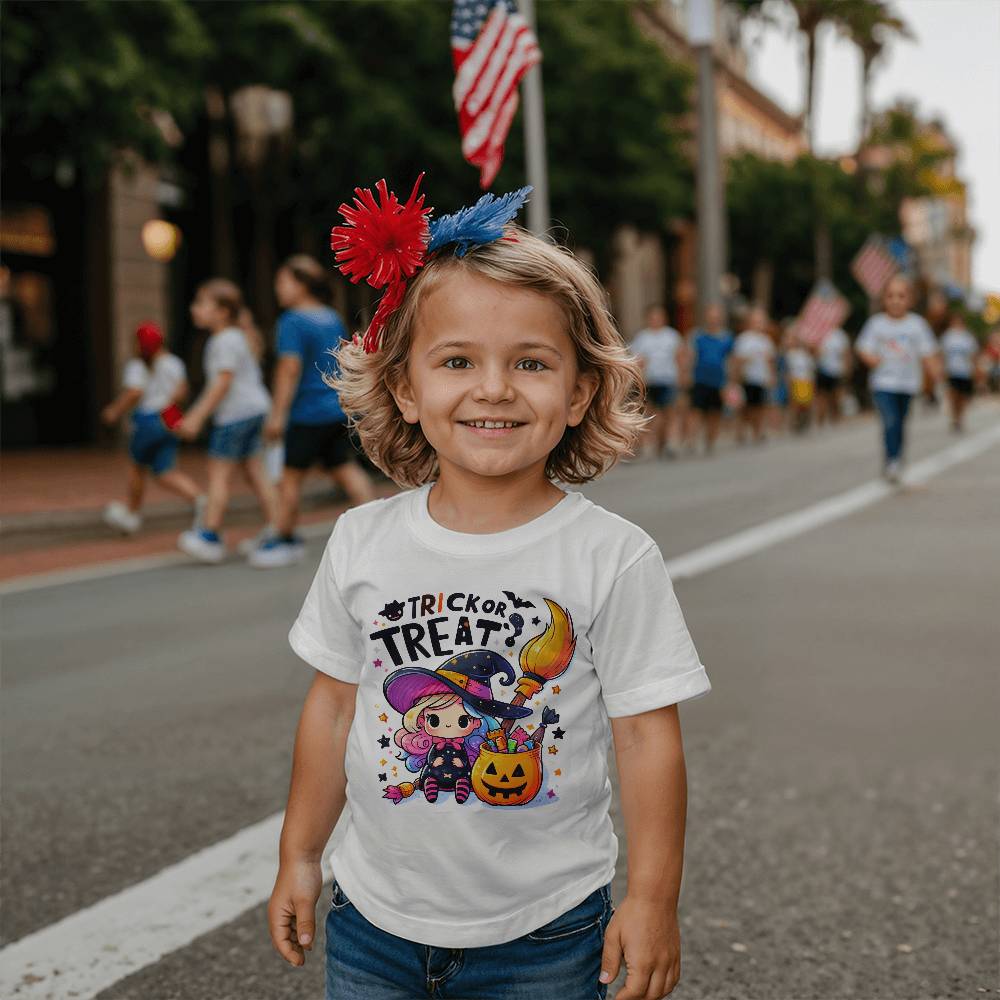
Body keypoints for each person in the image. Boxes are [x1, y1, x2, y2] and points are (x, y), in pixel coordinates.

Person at [267, 179, 711, 1000]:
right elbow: (333, 708)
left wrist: (651, 900)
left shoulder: (611, 556)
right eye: (458, 360)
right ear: (405, 386)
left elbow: (649, 740)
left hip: (544, 930)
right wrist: (300, 854)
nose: (495, 388)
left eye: (532, 363)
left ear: (580, 392)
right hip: (372, 921)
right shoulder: (362, 540)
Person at [249, 255, 377, 568]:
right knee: (346, 471)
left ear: (301, 285)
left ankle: (284, 538)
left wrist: (278, 414)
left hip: (305, 414)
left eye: (283, 282)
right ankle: (378, 531)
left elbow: (289, 369)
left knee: (289, 479)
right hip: (335, 408)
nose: (278, 289)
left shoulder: (292, 321)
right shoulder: (330, 317)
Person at [175, 279, 277, 562]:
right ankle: (277, 529)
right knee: (255, 472)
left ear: (221, 311)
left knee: (218, 474)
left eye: (200, 303)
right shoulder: (234, 337)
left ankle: (209, 535)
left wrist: (195, 417)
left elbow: (222, 383)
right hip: (254, 410)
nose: (194, 309)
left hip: (235, 415)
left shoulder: (224, 340)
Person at [101, 321, 203, 535]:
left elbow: (134, 393)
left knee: (137, 467)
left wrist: (114, 411)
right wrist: (171, 415)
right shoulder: (174, 362)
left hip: (148, 419)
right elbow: (181, 392)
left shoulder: (138, 365)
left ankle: (132, 513)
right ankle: (201, 500)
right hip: (170, 417)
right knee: (165, 471)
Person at [855, 275, 940, 484]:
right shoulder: (876, 324)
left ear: (910, 300)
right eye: (891, 295)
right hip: (883, 383)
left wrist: (935, 376)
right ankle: (892, 460)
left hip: (908, 384)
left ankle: (896, 456)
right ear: (884, 299)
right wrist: (871, 358)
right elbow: (862, 347)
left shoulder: (917, 325)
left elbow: (928, 353)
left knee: (900, 423)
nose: (895, 300)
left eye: (901, 296)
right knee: (890, 421)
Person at [629, 304, 686, 459]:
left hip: (668, 379)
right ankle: (645, 443)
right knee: (649, 414)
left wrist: (682, 377)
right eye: (653, 316)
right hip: (650, 380)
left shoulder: (672, 336)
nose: (655, 319)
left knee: (669, 412)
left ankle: (667, 442)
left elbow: (680, 357)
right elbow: (637, 360)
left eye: (658, 316)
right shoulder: (642, 337)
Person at [684, 302, 734, 455]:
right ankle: (691, 441)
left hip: (718, 381)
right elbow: (690, 355)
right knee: (695, 411)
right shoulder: (697, 336)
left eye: (716, 317)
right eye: (711, 317)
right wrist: (686, 373)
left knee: (715, 413)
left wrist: (731, 381)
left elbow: (730, 360)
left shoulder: (726, 338)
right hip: (700, 379)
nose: (713, 320)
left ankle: (710, 441)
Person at [731, 306, 774, 444]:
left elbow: (769, 361)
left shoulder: (766, 341)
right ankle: (741, 432)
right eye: (756, 321)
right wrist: (736, 377)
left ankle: (758, 432)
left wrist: (771, 376)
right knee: (745, 407)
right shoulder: (743, 339)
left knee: (759, 406)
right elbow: (736, 360)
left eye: (761, 321)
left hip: (760, 379)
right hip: (747, 378)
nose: (759, 324)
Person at [939, 311, 980, 433]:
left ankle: (960, 417)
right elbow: (942, 354)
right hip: (952, 371)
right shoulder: (947, 337)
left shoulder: (968, 337)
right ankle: (954, 418)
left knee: (962, 397)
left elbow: (973, 355)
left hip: (965, 371)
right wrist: (942, 369)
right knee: (953, 395)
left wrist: (975, 369)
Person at [814, 325, 851, 426]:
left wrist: (847, 368)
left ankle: (835, 417)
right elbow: (813, 351)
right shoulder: (818, 333)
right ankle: (820, 420)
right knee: (822, 396)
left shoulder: (840, 335)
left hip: (837, 371)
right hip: (822, 370)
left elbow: (846, 353)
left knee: (836, 396)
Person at [785, 328, 817, 433]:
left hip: (806, 381)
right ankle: (794, 423)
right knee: (795, 405)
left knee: (806, 404)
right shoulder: (790, 354)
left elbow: (810, 370)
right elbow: (788, 370)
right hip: (795, 381)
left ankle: (805, 422)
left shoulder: (806, 355)